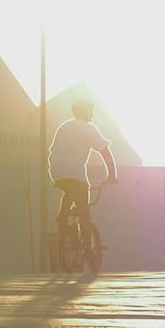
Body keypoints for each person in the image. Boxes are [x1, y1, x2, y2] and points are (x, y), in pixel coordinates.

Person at [48, 99, 118, 250]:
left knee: (70, 191)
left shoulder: (64, 126)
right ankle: (87, 247)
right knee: (84, 212)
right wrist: (112, 174)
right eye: (90, 110)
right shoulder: (88, 128)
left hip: (56, 171)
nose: (92, 113)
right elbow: (104, 150)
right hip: (75, 172)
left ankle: (64, 219)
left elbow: (52, 151)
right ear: (84, 111)